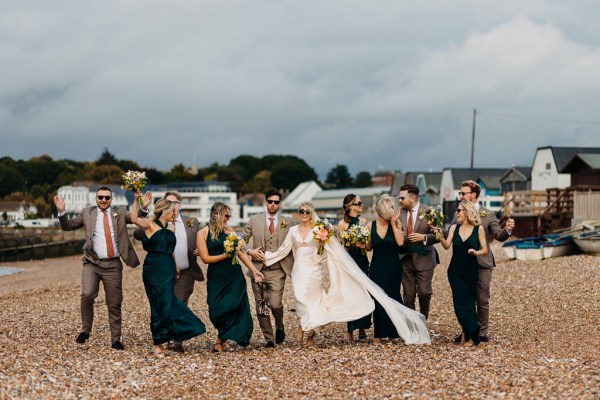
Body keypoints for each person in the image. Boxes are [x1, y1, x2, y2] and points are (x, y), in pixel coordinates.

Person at [264, 202, 430, 346]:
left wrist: (334, 256)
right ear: (298, 213)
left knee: (314, 300)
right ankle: (304, 323)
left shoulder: (319, 229)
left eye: (307, 211)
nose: (304, 214)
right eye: (301, 211)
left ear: (312, 213)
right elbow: (284, 249)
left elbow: (329, 250)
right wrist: (266, 258)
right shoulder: (292, 230)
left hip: (314, 270)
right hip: (300, 270)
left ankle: (309, 335)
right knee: (300, 299)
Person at [53, 187, 151, 350]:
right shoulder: (87, 213)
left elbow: (135, 217)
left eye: (107, 197)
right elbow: (68, 226)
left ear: (111, 199)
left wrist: (144, 207)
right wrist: (62, 212)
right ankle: (85, 330)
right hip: (91, 263)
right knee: (87, 294)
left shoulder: (119, 212)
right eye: (101, 197)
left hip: (113, 265)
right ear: (96, 198)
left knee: (114, 302)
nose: (104, 200)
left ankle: (115, 339)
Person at [131, 194, 206, 355]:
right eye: (172, 210)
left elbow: (170, 249)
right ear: (164, 210)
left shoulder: (171, 227)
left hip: (168, 268)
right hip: (153, 268)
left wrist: (176, 266)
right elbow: (133, 218)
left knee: (169, 302)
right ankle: (158, 342)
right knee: (158, 303)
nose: (174, 213)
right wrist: (137, 201)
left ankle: (176, 334)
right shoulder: (150, 223)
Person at [451, 180, 515, 342]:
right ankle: (468, 330)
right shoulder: (457, 213)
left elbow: (498, 236)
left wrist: (507, 229)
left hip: (482, 263)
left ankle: (482, 332)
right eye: (460, 193)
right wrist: (432, 230)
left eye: (463, 193)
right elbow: (449, 234)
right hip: (463, 264)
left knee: (482, 299)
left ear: (473, 195)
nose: (460, 196)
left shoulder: (487, 214)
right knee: (466, 298)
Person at [197, 202, 265, 352]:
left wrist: (254, 270)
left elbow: (240, 252)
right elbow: (205, 259)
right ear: (217, 215)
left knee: (235, 306)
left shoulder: (229, 231)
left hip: (233, 274)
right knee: (216, 310)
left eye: (229, 215)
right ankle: (224, 333)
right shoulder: (202, 233)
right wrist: (225, 255)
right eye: (226, 215)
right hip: (216, 276)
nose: (228, 218)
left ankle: (220, 339)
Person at [243, 188, 293, 348]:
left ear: (280, 203)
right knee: (261, 305)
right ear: (265, 203)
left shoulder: (288, 222)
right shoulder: (254, 221)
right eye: (270, 201)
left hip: (278, 270)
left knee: (275, 304)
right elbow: (239, 239)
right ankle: (269, 339)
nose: (272, 204)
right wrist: (249, 250)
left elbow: (298, 240)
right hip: (257, 268)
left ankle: (279, 326)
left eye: (276, 202)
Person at [435, 200, 488, 346]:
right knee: (459, 304)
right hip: (455, 272)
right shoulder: (453, 228)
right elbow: (446, 246)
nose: (456, 213)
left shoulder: (479, 229)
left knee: (469, 303)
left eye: (459, 211)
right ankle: (470, 332)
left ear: (467, 212)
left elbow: (485, 249)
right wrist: (440, 236)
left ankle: (470, 335)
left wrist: (476, 252)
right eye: (457, 211)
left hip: (471, 271)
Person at [398, 184, 439, 320]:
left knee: (424, 293)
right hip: (405, 258)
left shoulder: (429, 212)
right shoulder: (399, 213)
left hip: (424, 258)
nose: (400, 201)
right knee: (408, 295)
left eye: (402, 198)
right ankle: (411, 325)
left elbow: (441, 234)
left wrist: (424, 237)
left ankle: (423, 318)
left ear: (413, 198)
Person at [368, 194, 406, 344]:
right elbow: (369, 248)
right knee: (378, 299)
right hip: (377, 266)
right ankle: (378, 334)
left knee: (393, 297)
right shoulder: (370, 226)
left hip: (392, 267)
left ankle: (393, 333)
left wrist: (394, 223)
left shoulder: (395, 224)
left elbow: (400, 243)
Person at [337, 194, 372, 343]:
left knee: (365, 294)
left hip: (363, 261)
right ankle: (351, 329)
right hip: (349, 263)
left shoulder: (364, 222)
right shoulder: (342, 224)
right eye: (358, 203)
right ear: (349, 206)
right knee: (351, 295)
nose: (360, 206)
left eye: (361, 203)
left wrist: (363, 245)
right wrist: (349, 244)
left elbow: (369, 247)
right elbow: (340, 249)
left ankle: (363, 326)